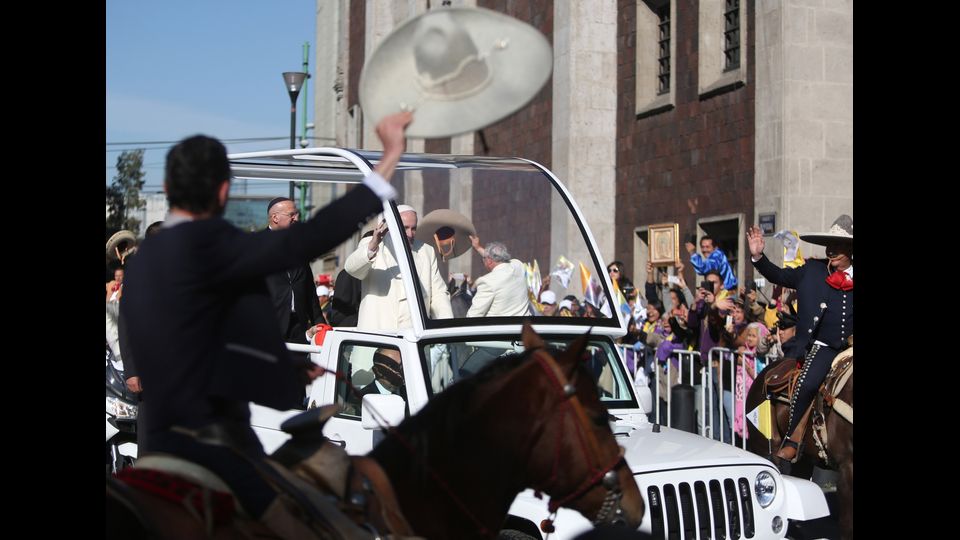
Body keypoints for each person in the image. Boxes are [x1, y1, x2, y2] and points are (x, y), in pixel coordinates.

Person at [119, 111, 412, 538]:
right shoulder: (220, 246)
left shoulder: (142, 263)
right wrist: (389, 157)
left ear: (166, 189)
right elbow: (313, 236)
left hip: (156, 441)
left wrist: (276, 364)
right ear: (223, 191)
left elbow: (192, 344)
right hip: (216, 445)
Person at [747, 214, 853, 464]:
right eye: (829, 246)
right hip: (824, 348)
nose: (831, 251)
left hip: (851, 347)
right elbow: (778, 276)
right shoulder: (813, 270)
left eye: (837, 247)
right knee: (807, 384)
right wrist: (758, 257)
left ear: (851, 249)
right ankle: (793, 440)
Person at [344, 204, 452, 330]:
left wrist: (446, 326)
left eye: (414, 228)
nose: (410, 234)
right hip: (377, 333)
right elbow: (351, 268)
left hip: (412, 336)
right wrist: (373, 246)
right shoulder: (372, 244)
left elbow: (438, 294)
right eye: (405, 228)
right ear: (392, 227)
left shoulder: (426, 251)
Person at [263, 197, 327, 343]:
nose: (296, 218)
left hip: (299, 326)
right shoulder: (257, 246)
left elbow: (309, 291)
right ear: (275, 218)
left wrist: (320, 323)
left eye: (297, 214)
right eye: (291, 215)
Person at [466, 239, 531, 317]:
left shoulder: (487, 282)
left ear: (489, 261)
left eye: (483, 258)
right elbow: (497, 259)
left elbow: (474, 314)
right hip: (524, 326)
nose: (483, 261)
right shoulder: (518, 265)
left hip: (499, 327)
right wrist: (478, 247)